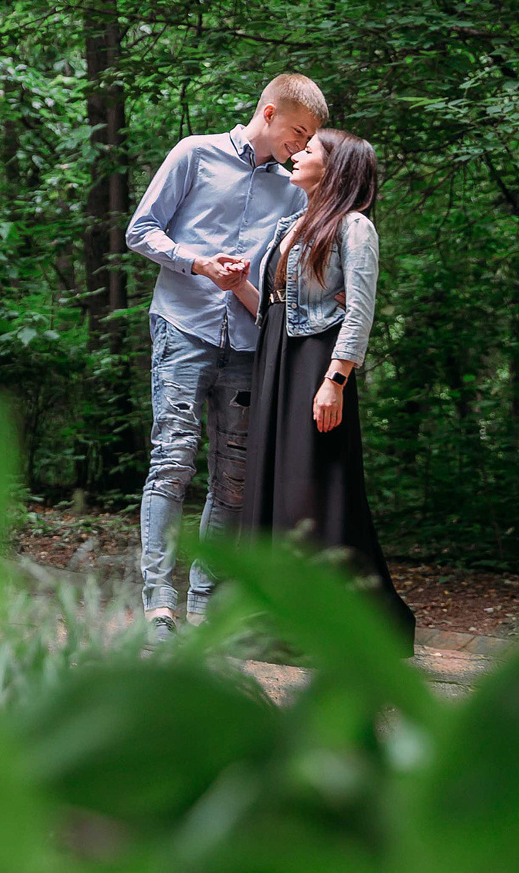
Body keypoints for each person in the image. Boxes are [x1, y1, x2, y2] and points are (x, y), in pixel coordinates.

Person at [126, 73, 328, 635]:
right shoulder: (195, 153)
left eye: (310, 138)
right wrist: (198, 263)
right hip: (183, 328)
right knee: (172, 461)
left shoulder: (294, 190)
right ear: (270, 113)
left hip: (248, 343)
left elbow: (287, 282)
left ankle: (205, 607)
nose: (302, 145)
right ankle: (159, 603)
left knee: (234, 480)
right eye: (298, 131)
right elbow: (140, 230)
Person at [223, 127, 416, 650]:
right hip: (276, 361)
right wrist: (239, 285)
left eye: (308, 150)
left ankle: (331, 626)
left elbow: (360, 310)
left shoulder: (354, 227)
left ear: (333, 167)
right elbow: (275, 309)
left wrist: (335, 380)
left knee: (310, 490)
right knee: (271, 485)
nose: (297, 155)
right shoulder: (291, 224)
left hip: (317, 365)